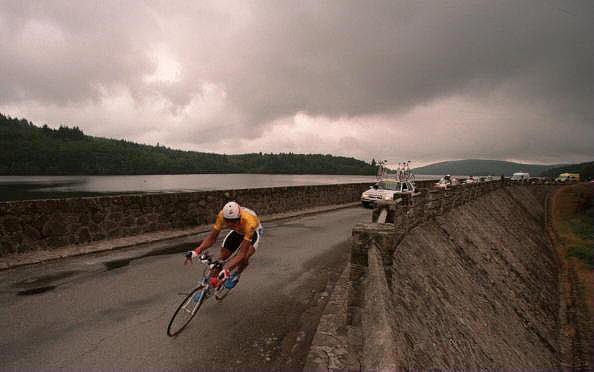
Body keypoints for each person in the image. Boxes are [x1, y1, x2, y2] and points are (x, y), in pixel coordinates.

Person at [185, 201, 263, 289]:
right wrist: (197, 250)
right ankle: (205, 289)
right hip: (238, 231)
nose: (230, 224)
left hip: (252, 232)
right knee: (222, 256)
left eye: (234, 221)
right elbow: (212, 238)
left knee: (245, 256)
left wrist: (227, 269)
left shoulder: (250, 222)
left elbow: (242, 253)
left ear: (239, 217)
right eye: (228, 221)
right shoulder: (221, 215)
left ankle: (237, 274)